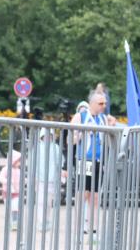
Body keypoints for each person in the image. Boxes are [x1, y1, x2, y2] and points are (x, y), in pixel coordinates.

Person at [70, 91, 110, 237]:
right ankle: (78, 227)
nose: (104, 106)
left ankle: (92, 228)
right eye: (101, 103)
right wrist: (81, 134)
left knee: (95, 196)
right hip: (84, 159)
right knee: (82, 194)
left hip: (98, 160)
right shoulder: (81, 116)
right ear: (92, 103)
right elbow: (71, 139)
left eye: (105, 103)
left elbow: (107, 141)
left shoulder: (103, 118)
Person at [34, 128, 64, 232]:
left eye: (50, 136)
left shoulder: (56, 147)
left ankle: (46, 220)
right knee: (41, 201)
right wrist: (34, 179)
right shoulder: (37, 148)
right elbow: (34, 163)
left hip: (52, 179)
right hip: (40, 179)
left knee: (48, 202)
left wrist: (60, 175)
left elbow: (60, 162)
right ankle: (41, 221)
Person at [0, 150, 24, 231]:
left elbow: (21, 179)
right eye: (18, 161)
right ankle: (9, 222)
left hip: (16, 192)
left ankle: (15, 222)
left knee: (15, 208)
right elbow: (1, 178)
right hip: (7, 192)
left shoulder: (19, 171)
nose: (19, 163)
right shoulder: (5, 169)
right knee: (8, 208)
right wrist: (7, 181)